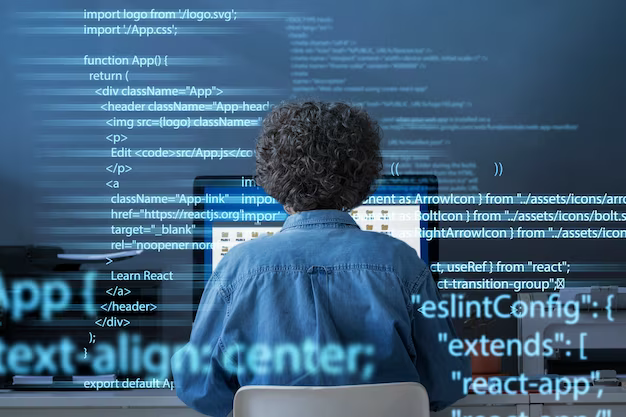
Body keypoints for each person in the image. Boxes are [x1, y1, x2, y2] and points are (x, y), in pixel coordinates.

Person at [171, 100, 471, 417]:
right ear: (361, 175)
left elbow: (201, 392)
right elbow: (447, 384)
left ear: (273, 176)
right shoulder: (402, 263)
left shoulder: (238, 267)